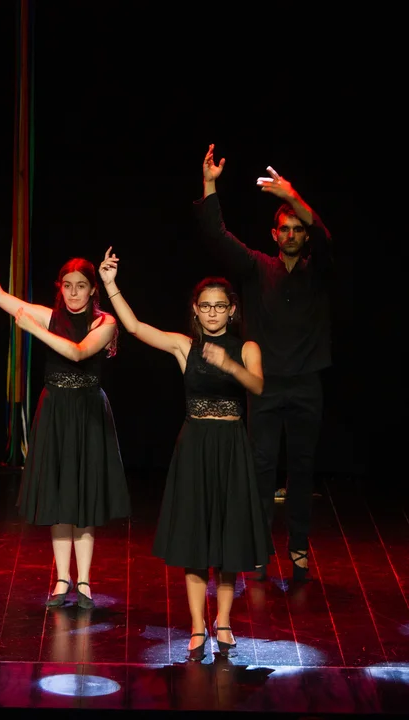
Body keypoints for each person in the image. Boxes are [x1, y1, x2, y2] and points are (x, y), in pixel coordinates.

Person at [98, 248, 271, 660]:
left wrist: (228, 365)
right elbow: (136, 328)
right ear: (196, 309)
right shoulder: (185, 346)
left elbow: (258, 386)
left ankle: (223, 622)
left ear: (231, 310)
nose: (212, 313)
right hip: (195, 446)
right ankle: (197, 625)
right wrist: (109, 284)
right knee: (195, 540)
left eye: (220, 306)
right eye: (205, 306)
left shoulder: (247, 348)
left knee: (228, 540)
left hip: (231, 448)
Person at [0, 222, 129, 610]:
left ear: (92, 290)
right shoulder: (48, 315)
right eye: (67, 286)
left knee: (84, 497)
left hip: (88, 413)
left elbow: (78, 352)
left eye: (81, 286)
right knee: (59, 496)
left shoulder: (104, 323)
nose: (74, 293)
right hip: (56, 410)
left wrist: (33, 330)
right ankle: (62, 578)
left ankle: (84, 580)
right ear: (60, 288)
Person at [196, 145, 333, 582]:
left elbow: (325, 235)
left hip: (307, 384)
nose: (291, 234)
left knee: (302, 468)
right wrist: (209, 184)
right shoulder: (257, 268)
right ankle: (257, 548)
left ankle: (298, 546)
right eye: (284, 229)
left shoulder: (318, 270)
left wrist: (291, 196)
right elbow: (216, 235)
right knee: (260, 469)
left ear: (304, 236)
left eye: (297, 229)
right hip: (266, 385)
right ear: (274, 235)